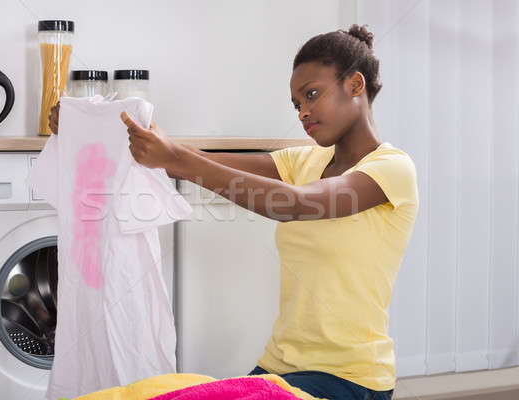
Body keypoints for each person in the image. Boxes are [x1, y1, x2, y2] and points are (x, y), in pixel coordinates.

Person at [49, 24, 418, 400]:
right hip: (277, 368)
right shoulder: (305, 161)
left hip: (350, 380)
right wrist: (90, 125)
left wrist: (175, 159)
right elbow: (193, 160)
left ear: (355, 85)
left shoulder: (391, 169)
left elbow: (295, 203)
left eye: (311, 95)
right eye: (296, 104)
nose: (303, 112)